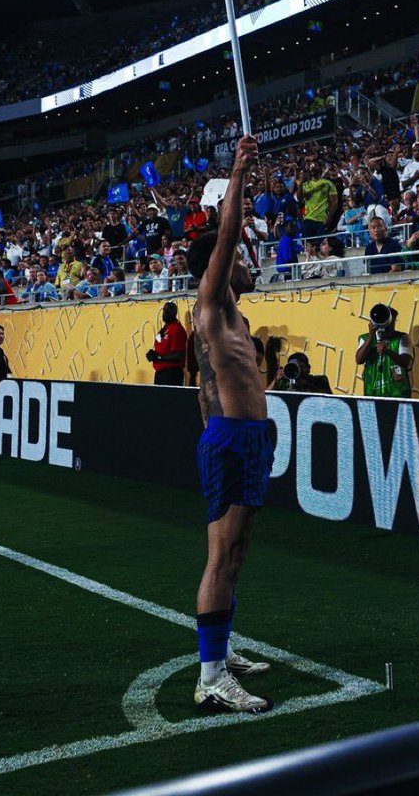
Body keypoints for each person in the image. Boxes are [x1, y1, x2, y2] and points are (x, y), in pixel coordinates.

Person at [185, 135, 274, 715]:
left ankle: (222, 651)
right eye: (236, 259)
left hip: (246, 439)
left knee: (236, 552)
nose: (245, 263)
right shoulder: (211, 304)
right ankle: (211, 675)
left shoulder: (233, 317)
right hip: (233, 444)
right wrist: (238, 172)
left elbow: (204, 390)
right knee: (222, 556)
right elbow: (227, 234)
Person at [354, 304, 414, 398]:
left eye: (392, 323)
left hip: (398, 395)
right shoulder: (365, 338)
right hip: (372, 394)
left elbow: (406, 362)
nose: (390, 326)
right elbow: (359, 359)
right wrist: (371, 335)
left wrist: (388, 351)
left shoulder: (402, 338)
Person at [145, 301, 188, 385]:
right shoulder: (166, 328)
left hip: (171, 373)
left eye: (168, 311)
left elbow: (178, 355)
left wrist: (159, 356)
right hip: (161, 372)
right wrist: (153, 354)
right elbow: (160, 343)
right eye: (164, 310)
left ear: (174, 313)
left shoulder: (177, 329)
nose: (165, 313)